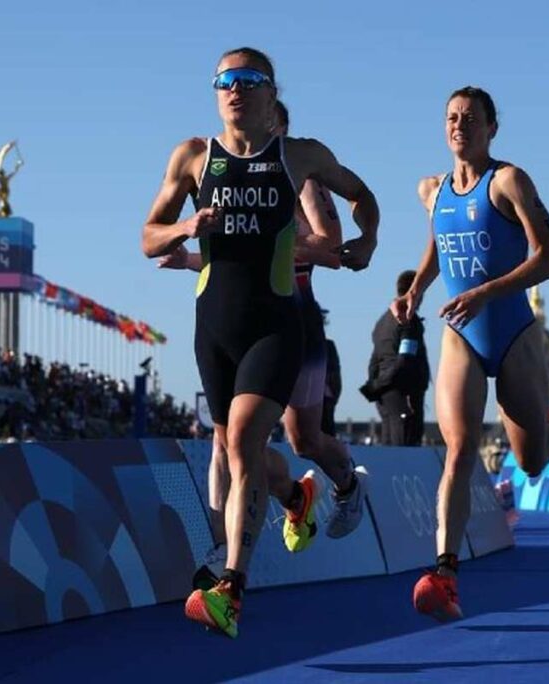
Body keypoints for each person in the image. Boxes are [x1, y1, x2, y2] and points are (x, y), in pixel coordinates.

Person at [142, 47, 379, 638]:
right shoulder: (192, 157)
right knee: (228, 445)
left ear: (272, 94)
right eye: (225, 80)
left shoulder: (300, 157)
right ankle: (288, 502)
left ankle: (231, 587)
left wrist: (367, 241)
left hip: (279, 321)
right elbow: (148, 237)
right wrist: (186, 228)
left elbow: (361, 196)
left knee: (258, 438)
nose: (235, 89)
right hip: (214, 328)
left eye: (249, 80)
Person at [392, 86, 549, 622]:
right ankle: (445, 573)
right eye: (452, 118)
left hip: (513, 330)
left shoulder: (508, 182)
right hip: (462, 333)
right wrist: (417, 290)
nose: (460, 125)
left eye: (471, 118)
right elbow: (440, 239)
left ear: (492, 128)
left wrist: (485, 292)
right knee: (459, 449)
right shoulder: (431, 190)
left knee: (531, 461)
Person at [361, 269, 431, 446]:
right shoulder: (409, 321)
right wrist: (385, 383)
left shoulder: (382, 322)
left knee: (389, 448)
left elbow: (374, 361)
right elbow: (405, 360)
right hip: (404, 394)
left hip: (385, 398)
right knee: (406, 448)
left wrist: (375, 386)